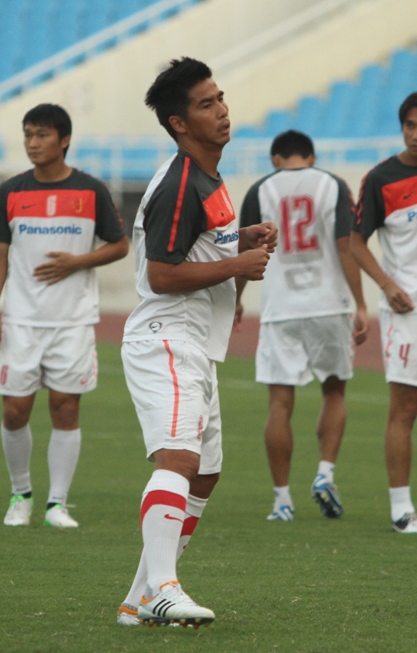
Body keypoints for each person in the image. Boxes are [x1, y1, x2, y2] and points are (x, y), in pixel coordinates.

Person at [116, 57, 277, 628]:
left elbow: (198, 245)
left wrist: (240, 240)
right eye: (207, 104)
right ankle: (164, 589)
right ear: (179, 124)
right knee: (180, 459)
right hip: (167, 335)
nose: (223, 110)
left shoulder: (208, 177)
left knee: (204, 472)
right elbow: (161, 275)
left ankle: (139, 599)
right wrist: (237, 263)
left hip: (195, 343)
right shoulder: (182, 182)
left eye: (221, 97)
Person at [0, 103, 129, 528]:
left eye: (42, 135)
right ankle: (20, 495)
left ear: (64, 140)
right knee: (15, 411)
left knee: (65, 409)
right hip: (22, 320)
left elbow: (119, 245)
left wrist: (77, 262)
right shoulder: (10, 191)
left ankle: (57, 505)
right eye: (28, 134)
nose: (33, 143)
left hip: (73, 320)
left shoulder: (92, 190)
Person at [237, 130, 368, 522]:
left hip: (281, 306)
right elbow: (345, 247)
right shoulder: (333, 184)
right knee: (334, 390)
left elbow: (244, 251)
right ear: (311, 157)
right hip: (329, 304)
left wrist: (236, 298)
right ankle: (325, 472)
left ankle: (282, 501)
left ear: (275, 159)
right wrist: (361, 303)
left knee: (279, 403)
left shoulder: (259, 189)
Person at [351, 91, 417, 534]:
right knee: (406, 408)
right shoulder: (381, 178)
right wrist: (387, 285)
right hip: (409, 309)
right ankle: (402, 511)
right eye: (410, 126)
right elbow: (355, 242)